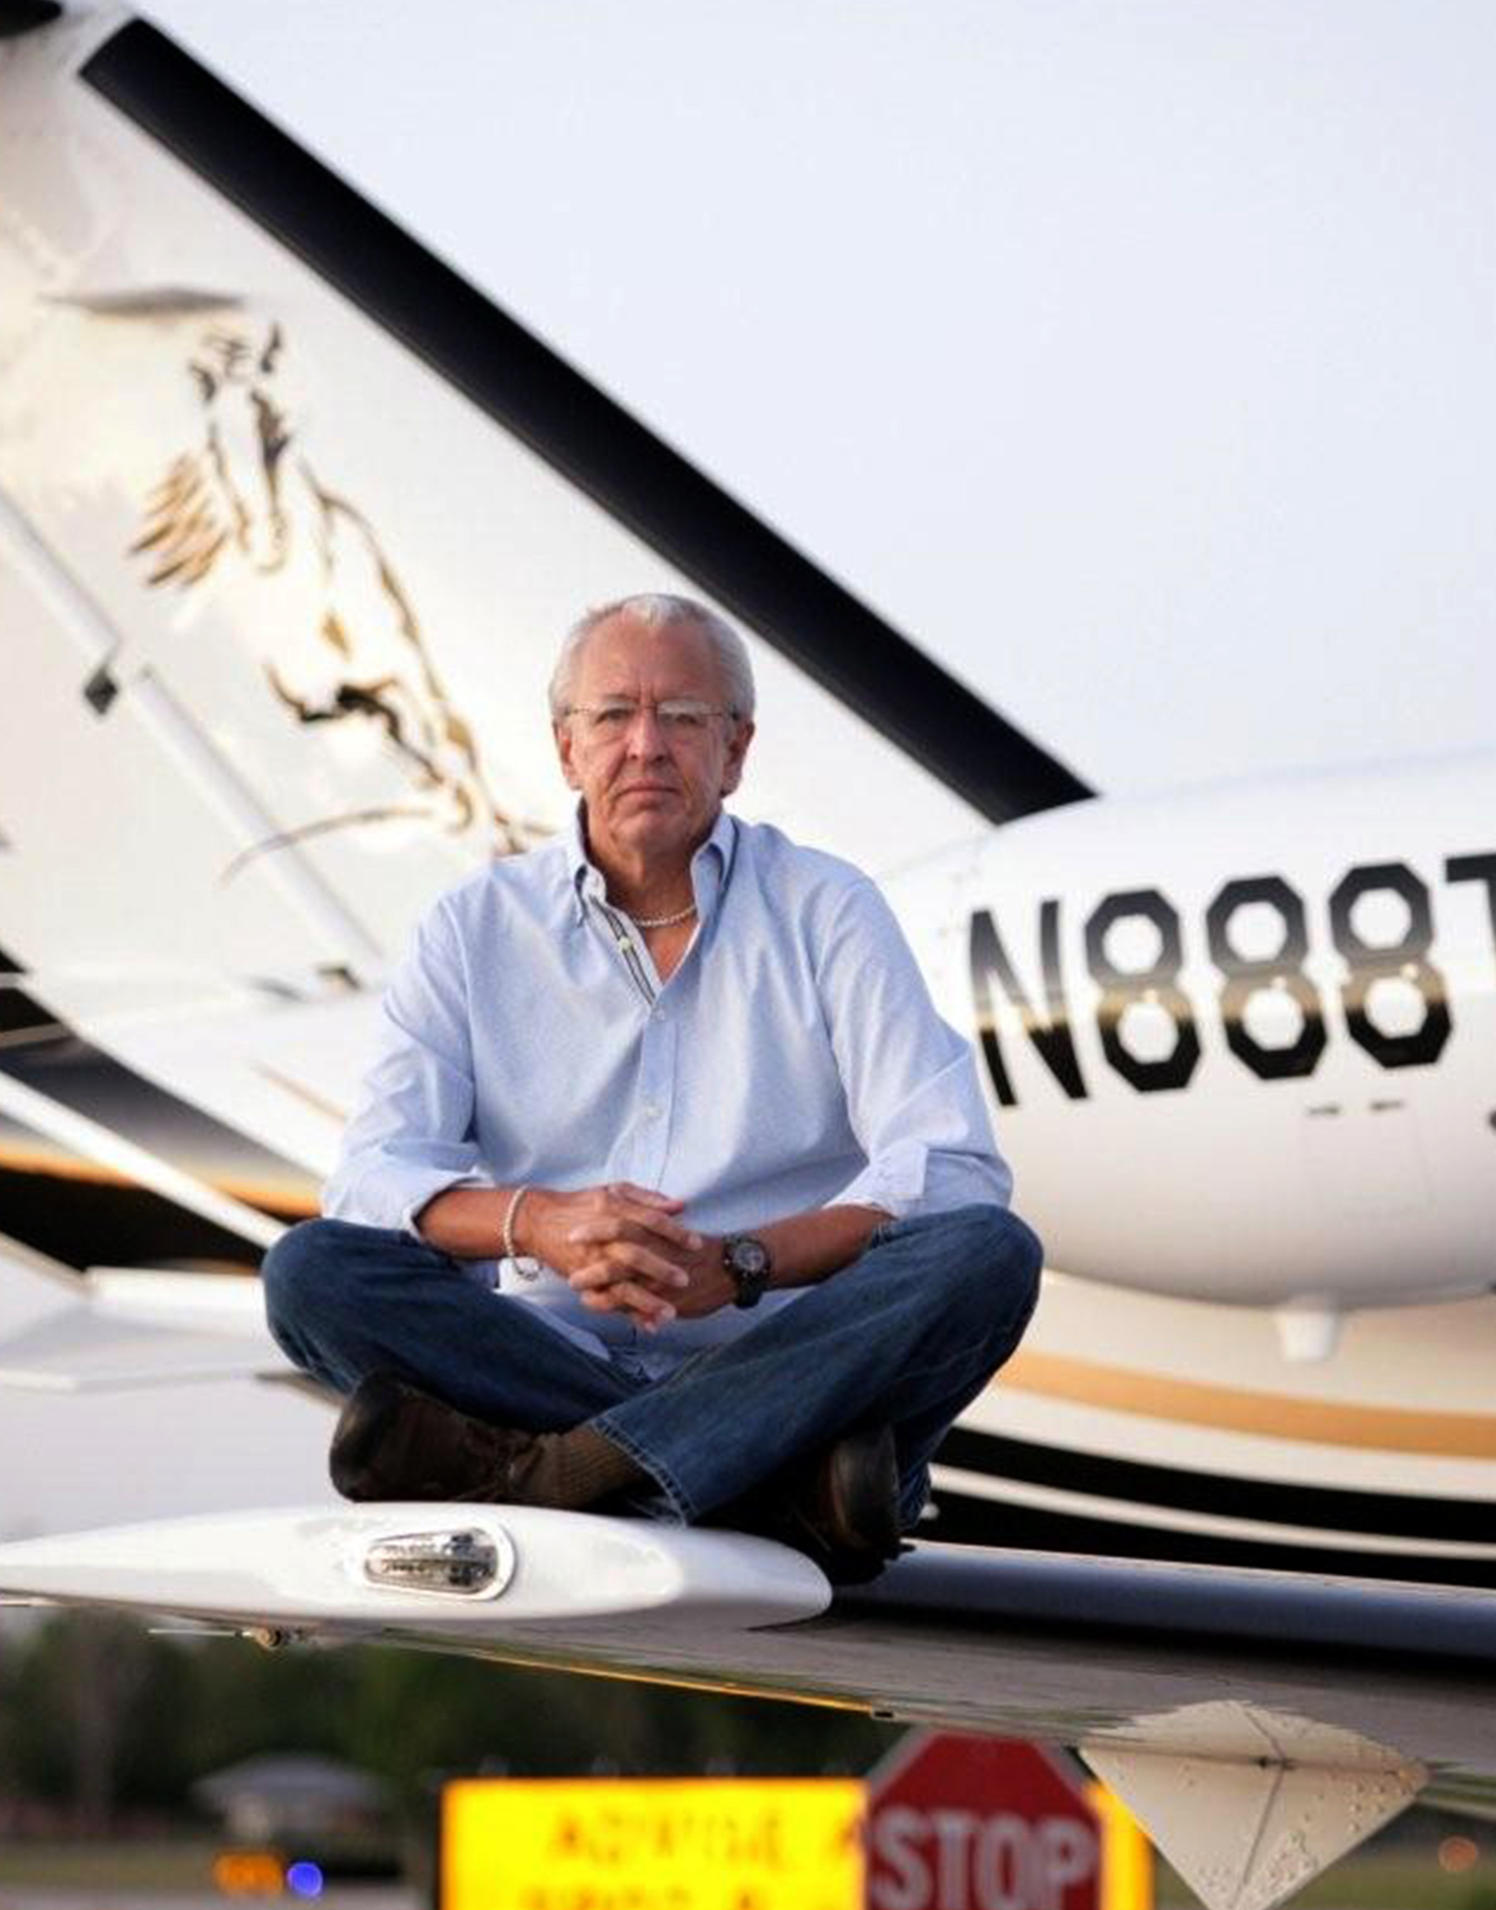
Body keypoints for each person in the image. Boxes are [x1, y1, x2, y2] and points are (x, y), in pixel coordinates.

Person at [261, 592, 1043, 1581]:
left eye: (682, 716)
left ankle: (553, 1473)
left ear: (737, 749)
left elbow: (953, 1170)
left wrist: (743, 1261)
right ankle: (780, 1490)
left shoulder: (827, 907)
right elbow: (372, 1181)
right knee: (311, 1272)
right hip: (555, 1361)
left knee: (990, 1255)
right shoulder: (474, 926)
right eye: (613, 714)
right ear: (565, 747)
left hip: (787, 1346)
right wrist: (536, 1221)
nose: (646, 744)